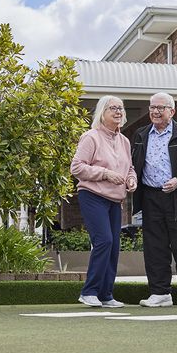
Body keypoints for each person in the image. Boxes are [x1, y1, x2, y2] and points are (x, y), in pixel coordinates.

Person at [132, 92, 177, 307]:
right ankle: (160, 292)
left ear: (172, 111)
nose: (155, 111)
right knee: (154, 247)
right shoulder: (141, 134)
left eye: (160, 108)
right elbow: (133, 163)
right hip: (150, 196)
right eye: (152, 107)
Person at [70, 95, 137, 308]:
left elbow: (129, 168)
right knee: (104, 241)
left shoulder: (124, 141)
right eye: (112, 108)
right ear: (102, 112)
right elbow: (76, 167)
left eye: (120, 108)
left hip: (114, 200)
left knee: (114, 246)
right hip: (92, 196)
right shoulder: (91, 137)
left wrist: (132, 179)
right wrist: (105, 174)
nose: (118, 111)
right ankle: (89, 292)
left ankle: (106, 295)